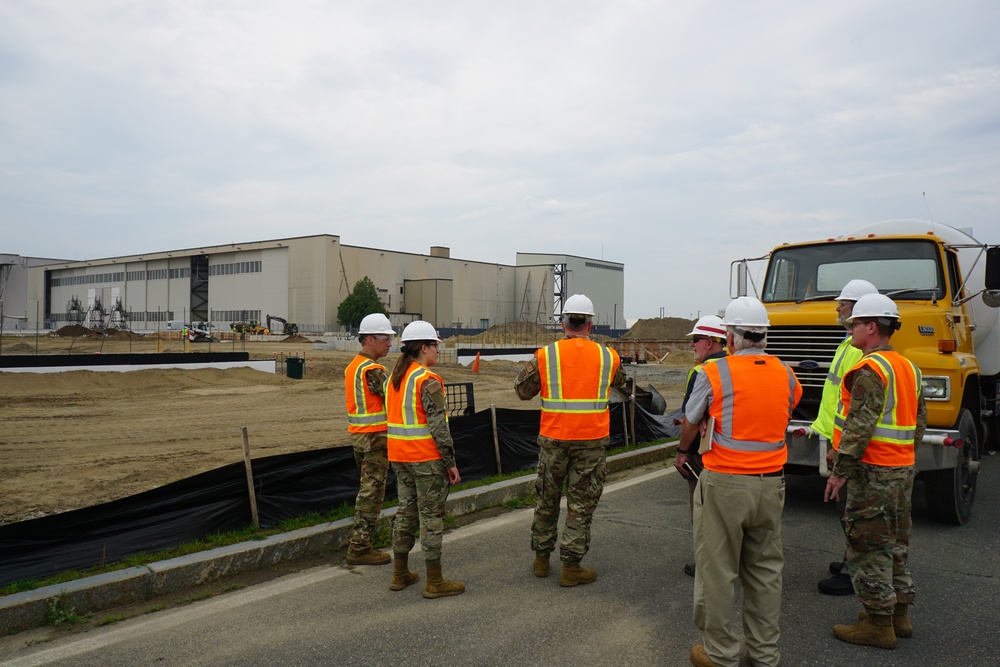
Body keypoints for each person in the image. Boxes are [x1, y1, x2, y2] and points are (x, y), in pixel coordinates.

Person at [680, 296, 802, 667]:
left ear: (730, 338)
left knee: (716, 570)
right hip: (771, 484)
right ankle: (765, 655)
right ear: (765, 336)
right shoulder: (785, 373)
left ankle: (720, 654)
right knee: (765, 571)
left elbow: (691, 418)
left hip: (724, 483)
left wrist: (685, 450)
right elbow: (788, 404)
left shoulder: (714, 373)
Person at [824, 293, 926, 650]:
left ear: (871, 327)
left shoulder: (870, 369)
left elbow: (859, 427)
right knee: (896, 542)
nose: (849, 328)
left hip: (873, 472)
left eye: (854, 324)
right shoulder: (908, 367)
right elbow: (919, 423)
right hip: (901, 469)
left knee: (867, 547)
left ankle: (878, 625)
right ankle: (899, 615)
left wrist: (839, 472)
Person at [514, 294, 625, 587]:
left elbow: (522, 391)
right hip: (591, 443)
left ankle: (541, 560)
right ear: (591, 324)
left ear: (563, 322)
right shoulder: (608, 356)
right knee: (580, 505)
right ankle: (571, 567)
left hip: (553, 441)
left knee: (547, 500)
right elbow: (623, 385)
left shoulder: (545, 355)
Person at [385, 320, 465, 598]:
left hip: (399, 457)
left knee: (405, 512)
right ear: (423, 348)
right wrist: (450, 462)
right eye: (434, 345)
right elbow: (439, 427)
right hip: (426, 460)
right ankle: (434, 581)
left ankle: (400, 573)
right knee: (431, 518)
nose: (437, 351)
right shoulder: (426, 380)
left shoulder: (395, 378)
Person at [813, 279, 880, 595]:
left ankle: (856, 569)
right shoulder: (848, 345)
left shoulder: (860, 353)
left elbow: (857, 408)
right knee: (848, 508)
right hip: (840, 438)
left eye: (844, 303)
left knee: (853, 509)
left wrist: (840, 448)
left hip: (854, 446)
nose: (838, 307)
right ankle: (851, 558)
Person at [674, 314, 728, 577]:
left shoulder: (702, 371)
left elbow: (691, 419)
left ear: (710, 342)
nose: (692, 345)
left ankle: (706, 563)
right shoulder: (735, 366)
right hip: (730, 452)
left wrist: (682, 452)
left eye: (696, 340)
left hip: (701, 453)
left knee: (702, 508)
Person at [343, 313, 396, 566]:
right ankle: (360, 547)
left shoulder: (354, 366)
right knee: (372, 494)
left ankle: (361, 543)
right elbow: (395, 397)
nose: (389, 343)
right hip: (375, 439)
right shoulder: (373, 370)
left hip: (360, 438)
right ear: (370, 339)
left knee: (367, 491)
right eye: (385, 338)